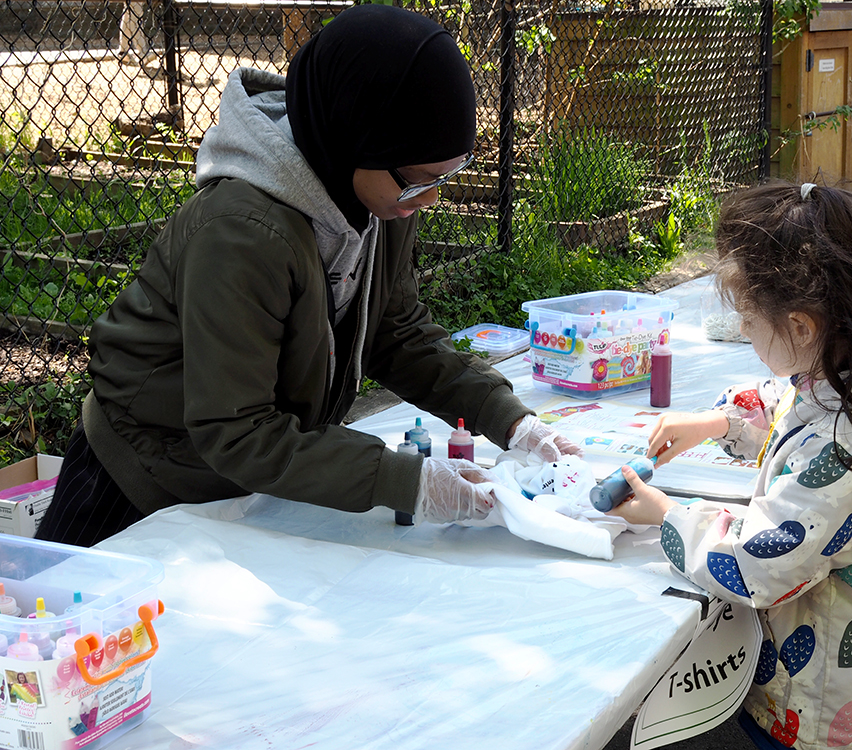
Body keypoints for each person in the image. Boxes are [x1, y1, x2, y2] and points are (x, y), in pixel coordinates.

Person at [38, 5, 579, 548]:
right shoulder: (242, 234)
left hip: (242, 479)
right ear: (353, 141)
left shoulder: (378, 198)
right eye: (418, 182)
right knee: (73, 628)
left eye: (444, 176)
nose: (429, 200)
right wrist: (406, 481)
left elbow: (397, 332)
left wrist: (510, 421)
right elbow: (239, 431)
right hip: (140, 482)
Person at [609, 182, 852, 750]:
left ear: (803, 327)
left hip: (828, 708)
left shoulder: (841, 449)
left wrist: (667, 518)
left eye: (751, 325)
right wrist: (724, 423)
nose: (747, 337)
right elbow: (795, 409)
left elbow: (758, 566)